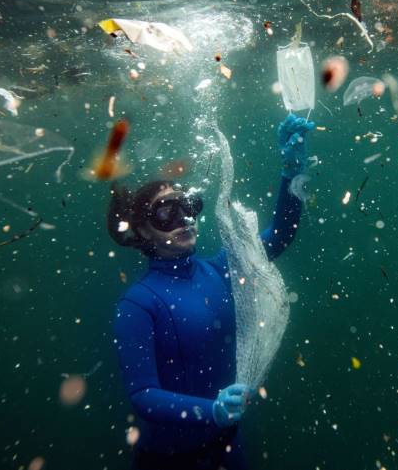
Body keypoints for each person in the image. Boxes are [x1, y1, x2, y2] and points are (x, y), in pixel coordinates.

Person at [107, 114, 315, 470]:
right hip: (167, 462)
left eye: (187, 207)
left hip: (229, 449)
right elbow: (142, 395)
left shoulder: (220, 269)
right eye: (166, 213)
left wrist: (291, 170)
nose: (184, 219)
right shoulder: (138, 304)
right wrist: (211, 411)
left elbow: (279, 235)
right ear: (142, 229)